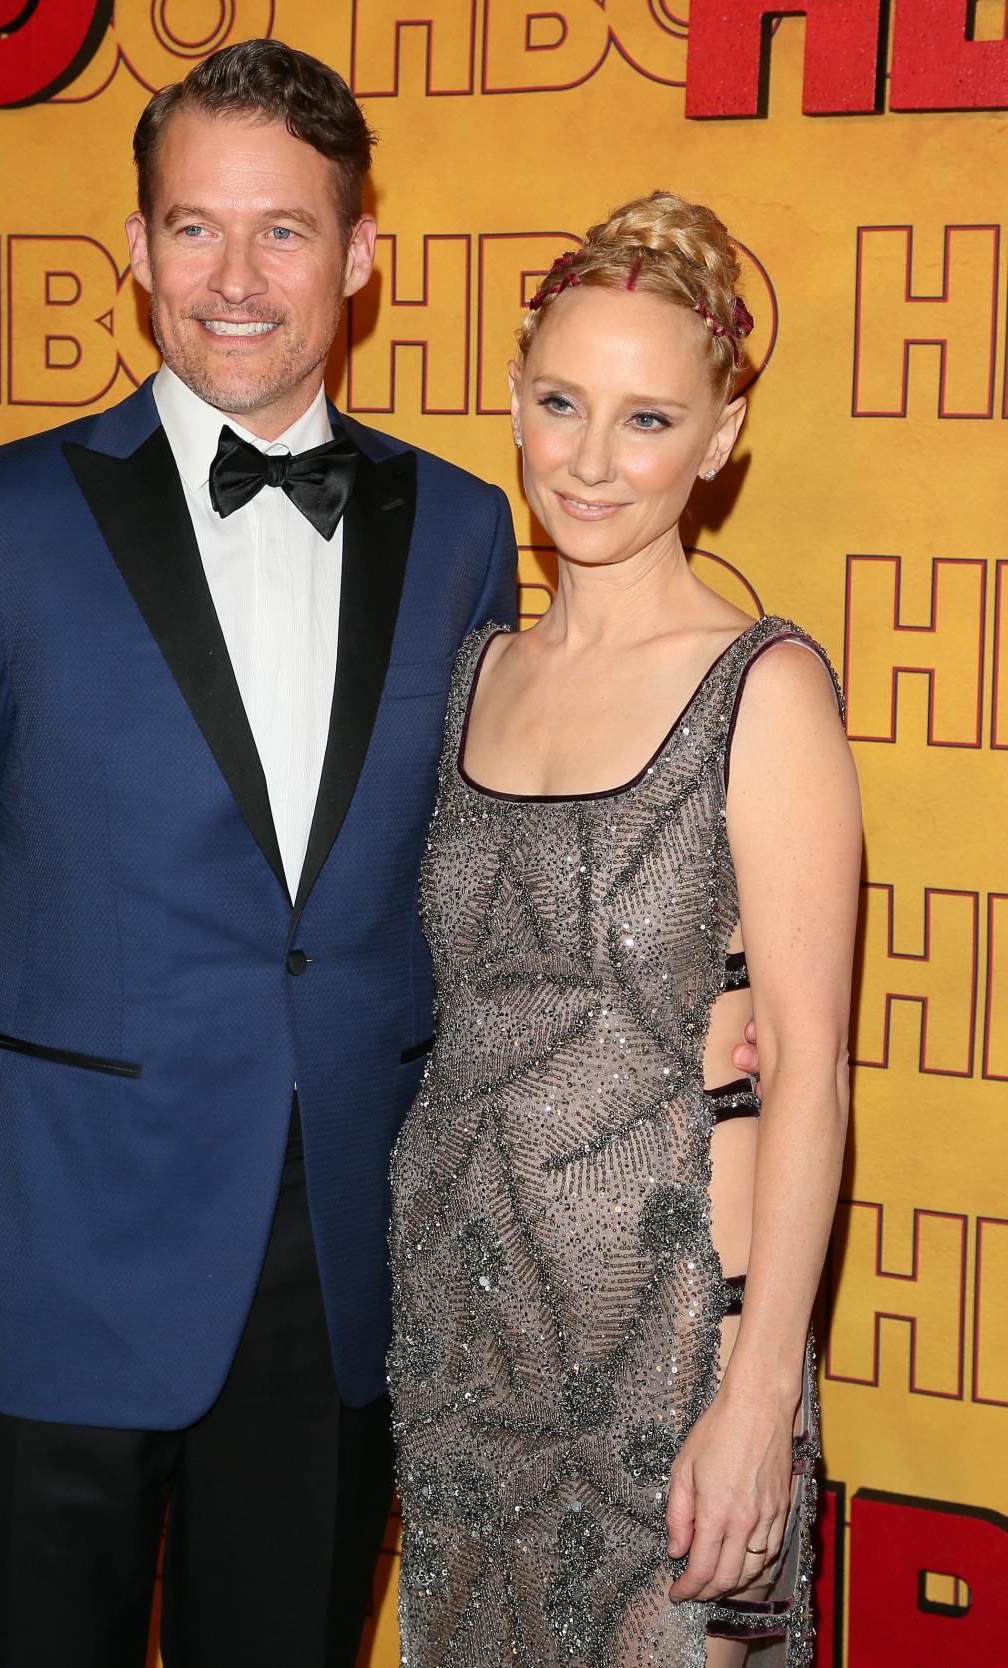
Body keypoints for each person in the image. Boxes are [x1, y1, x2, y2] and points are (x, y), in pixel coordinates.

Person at [0, 39, 516, 1668]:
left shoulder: (465, 527)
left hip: (340, 1278)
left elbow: (481, 889)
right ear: (132, 254)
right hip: (47, 1266)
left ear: (360, 256)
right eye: (194, 227)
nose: (238, 278)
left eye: (284, 230)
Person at [388, 192, 860, 1666]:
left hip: (667, 1362)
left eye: (647, 418)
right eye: (560, 403)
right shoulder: (471, 674)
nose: (590, 460)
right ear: (513, 402)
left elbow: (806, 1074)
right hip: (461, 1351)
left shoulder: (760, 690)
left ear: (720, 440)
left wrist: (753, 1395)